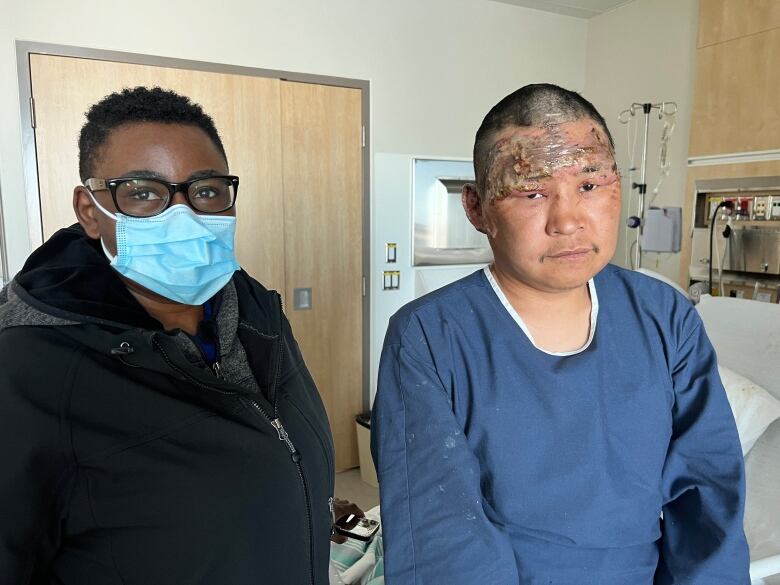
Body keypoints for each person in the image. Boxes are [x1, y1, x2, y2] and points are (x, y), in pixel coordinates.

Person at [371, 84, 750, 584]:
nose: (568, 221)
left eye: (589, 186)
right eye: (532, 192)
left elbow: (708, 496)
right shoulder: (429, 337)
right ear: (477, 209)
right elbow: (441, 534)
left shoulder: (665, 317)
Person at [0, 87, 335, 584]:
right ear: (90, 211)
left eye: (205, 190)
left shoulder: (257, 315)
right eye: (142, 192)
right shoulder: (26, 371)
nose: (184, 213)